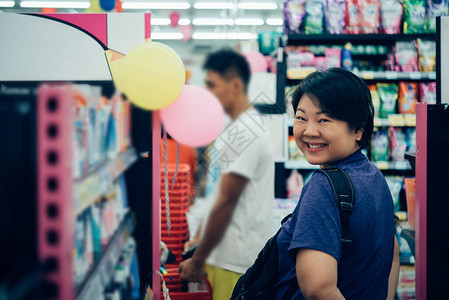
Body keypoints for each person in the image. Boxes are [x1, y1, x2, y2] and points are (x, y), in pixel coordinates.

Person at [273, 68, 400, 299]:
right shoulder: (374, 176)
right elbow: (392, 255)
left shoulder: (324, 186)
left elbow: (318, 289)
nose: (309, 131)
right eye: (301, 118)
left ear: (358, 129)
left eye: (324, 120)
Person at [178, 49, 275, 300]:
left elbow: (226, 202)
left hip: (236, 262)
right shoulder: (233, 129)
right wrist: (199, 238)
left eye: (212, 85)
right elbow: (214, 193)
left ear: (235, 85)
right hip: (222, 254)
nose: (208, 93)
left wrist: (198, 260)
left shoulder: (245, 134)